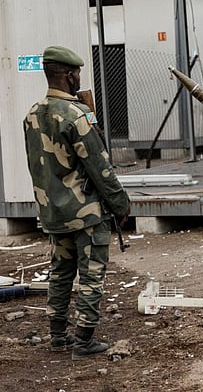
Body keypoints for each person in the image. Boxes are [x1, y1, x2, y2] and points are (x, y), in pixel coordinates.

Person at [23, 45, 130, 360]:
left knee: (60, 272)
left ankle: (58, 335)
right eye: (77, 73)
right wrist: (120, 203)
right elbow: (99, 166)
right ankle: (83, 339)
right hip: (85, 212)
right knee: (91, 272)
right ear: (70, 75)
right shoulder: (76, 114)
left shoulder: (31, 114)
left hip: (53, 210)